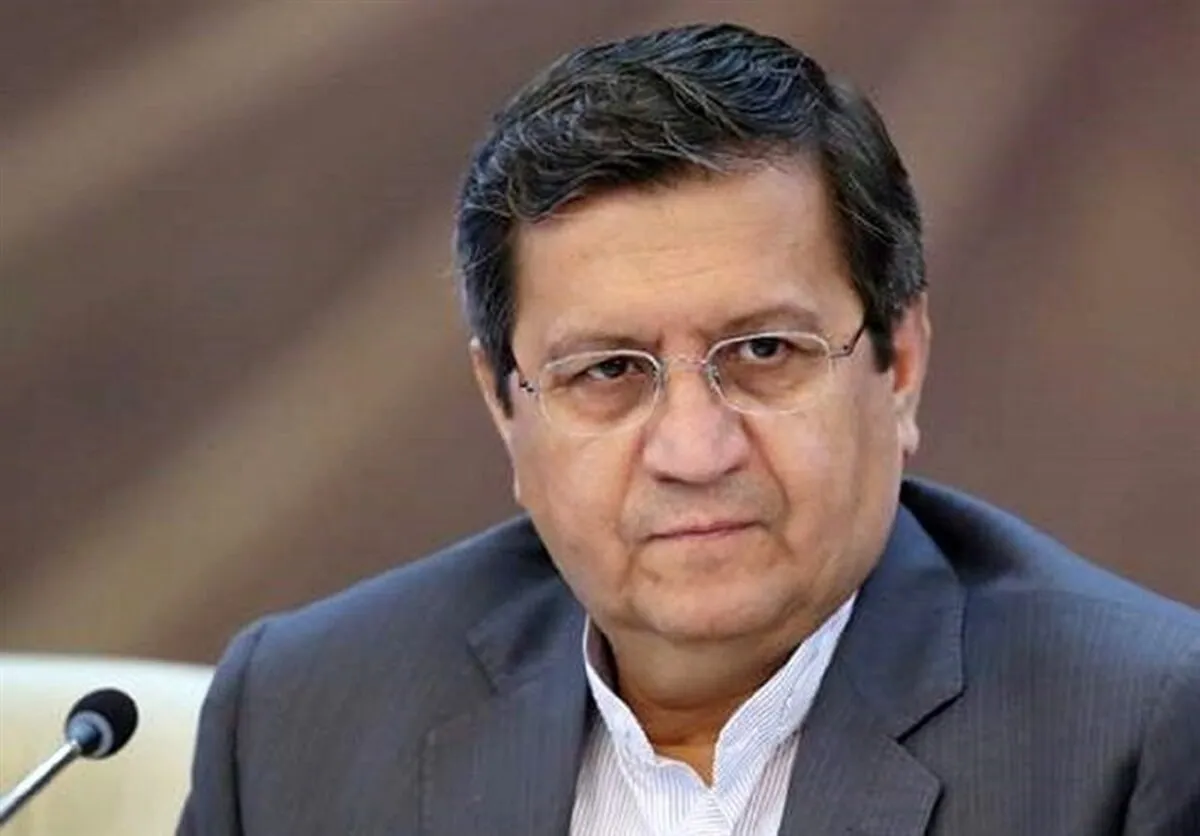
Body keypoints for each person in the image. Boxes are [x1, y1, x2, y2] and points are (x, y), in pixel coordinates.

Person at [177, 22, 1200, 836]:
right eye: (609, 371)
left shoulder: (1138, 731)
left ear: (900, 362)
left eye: (764, 351)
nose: (695, 450)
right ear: (505, 403)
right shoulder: (299, 715)